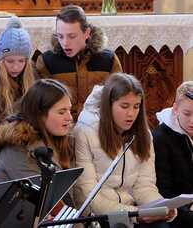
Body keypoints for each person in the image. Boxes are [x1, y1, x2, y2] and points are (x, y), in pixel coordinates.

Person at [74, 73, 176, 228]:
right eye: (124, 106)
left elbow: (144, 185)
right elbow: (88, 196)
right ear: (109, 105)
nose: (131, 114)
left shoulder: (143, 134)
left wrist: (160, 207)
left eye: (136, 106)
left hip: (132, 209)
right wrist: (135, 214)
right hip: (100, 216)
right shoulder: (85, 131)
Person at [35, 5, 122, 121]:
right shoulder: (47, 62)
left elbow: (118, 98)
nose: (65, 43)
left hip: (98, 126)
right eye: (60, 36)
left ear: (86, 33)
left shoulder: (108, 60)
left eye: (72, 36)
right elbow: (41, 105)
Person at [0, 78, 73, 183]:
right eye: (61, 112)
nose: (69, 118)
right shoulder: (17, 151)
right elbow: (45, 196)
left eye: (70, 110)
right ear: (39, 115)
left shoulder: (61, 138)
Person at [0, 16, 36, 126]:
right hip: (2, 131)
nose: (16, 67)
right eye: (10, 61)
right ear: (1, 60)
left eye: (21, 61)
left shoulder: (31, 75)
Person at [153, 81, 193, 228]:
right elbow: (164, 192)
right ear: (175, 109)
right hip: (177, 214)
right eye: (187, 113)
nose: (192, 121)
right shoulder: (160, 139)